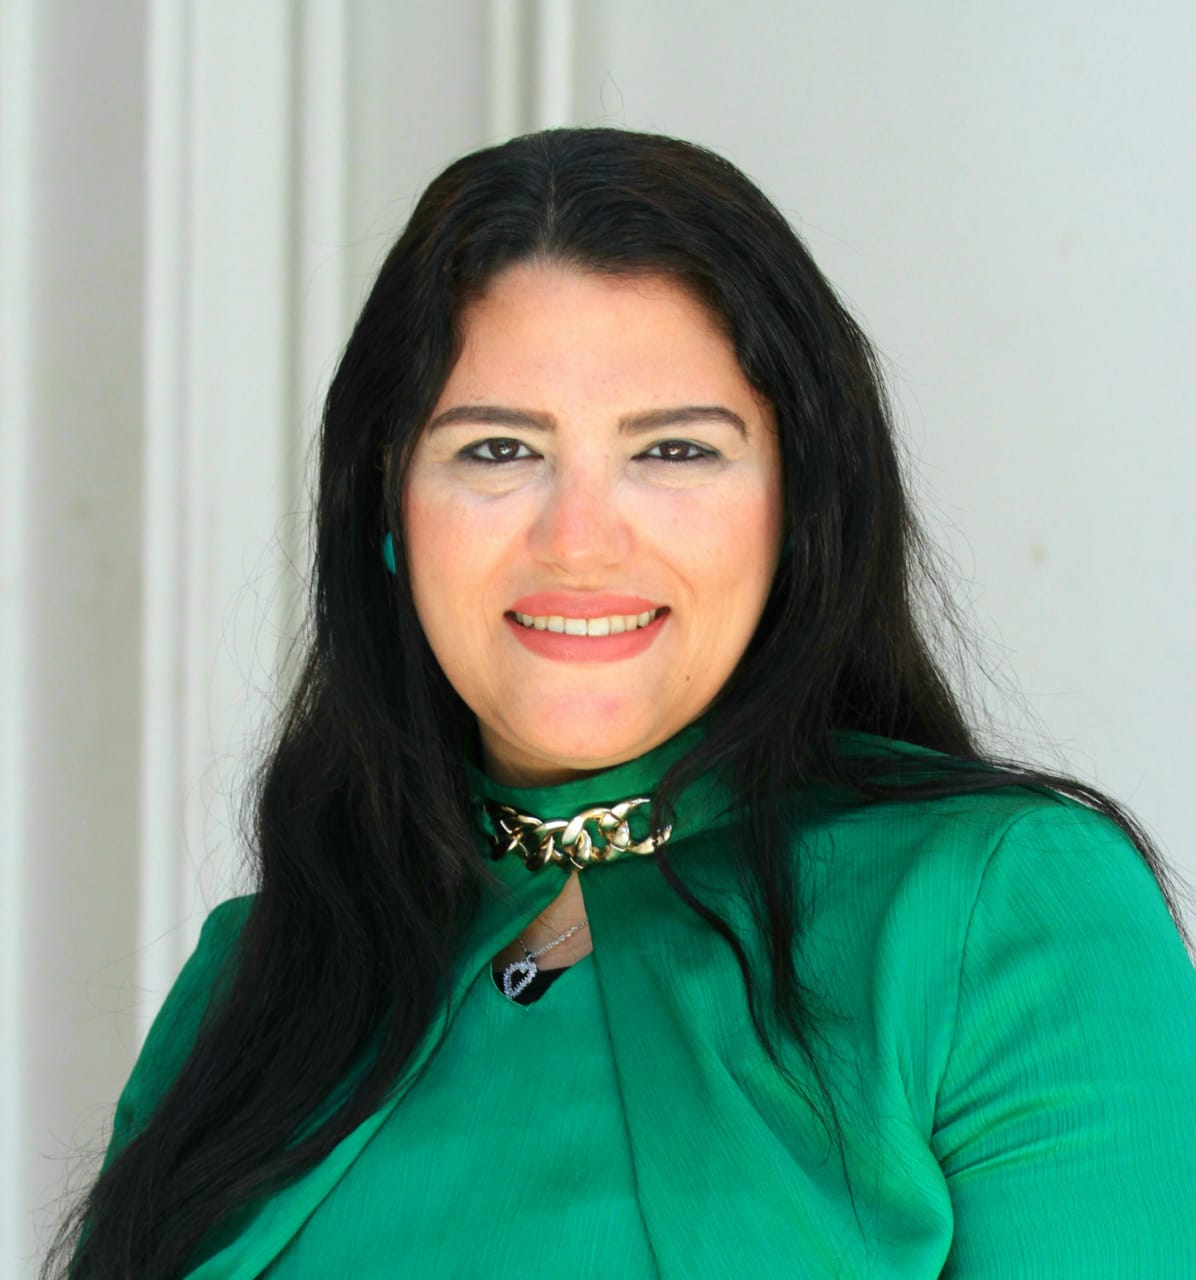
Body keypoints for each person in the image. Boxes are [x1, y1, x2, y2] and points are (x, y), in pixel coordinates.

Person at [49, 128, 1196, 1279]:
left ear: (797, 505)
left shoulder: (998, 911)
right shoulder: (254, 979)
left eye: (674, 451)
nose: (578, 541)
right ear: (385, 508)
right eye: (497, 448)